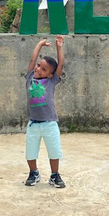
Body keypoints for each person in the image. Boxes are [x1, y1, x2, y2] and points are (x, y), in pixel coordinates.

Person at [23, 35, 66, 188]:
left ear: (50, 74)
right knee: (30, 153)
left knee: (54, 152)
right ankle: (33, 172)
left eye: (44, 69)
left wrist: (59, 47)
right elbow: (32, 60)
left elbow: (60, 64)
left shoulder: (51, 81)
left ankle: (54, 175)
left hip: (50, 123)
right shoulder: (29, 78)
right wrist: (39, 45)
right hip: (33, 124)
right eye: (39, 66)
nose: (38, 69)